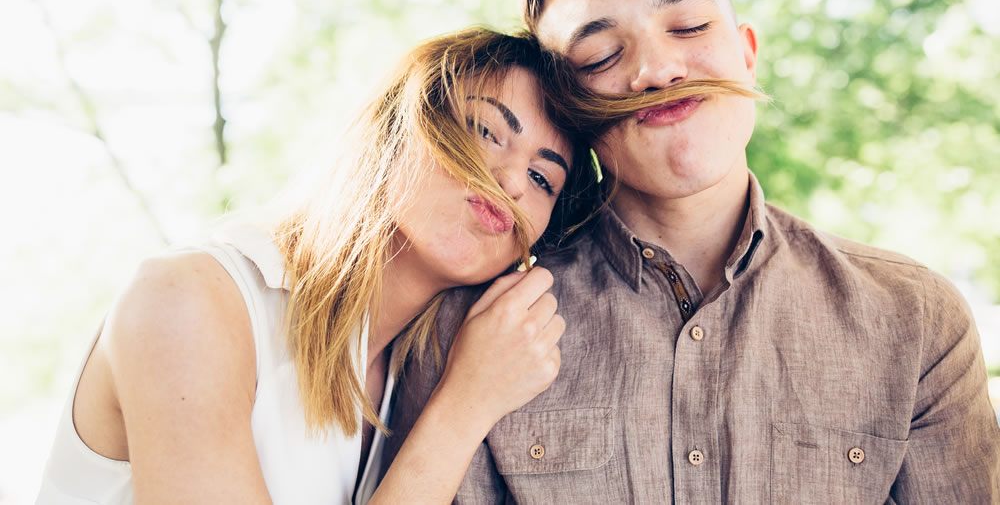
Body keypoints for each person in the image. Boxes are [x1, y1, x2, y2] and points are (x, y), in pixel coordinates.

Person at [386, 0, 1000, 502]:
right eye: (600, 55)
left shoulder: (915, 320)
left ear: (747, 53)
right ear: (570, 109)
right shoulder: (469, 328)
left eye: (688, 24)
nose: (657, 70)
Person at [37, 28, 604, 504]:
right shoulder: (189, 301)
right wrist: (466, 406)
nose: (509, 181)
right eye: (485, 131)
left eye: (542, 178)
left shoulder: (406, 374)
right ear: (397, 128)